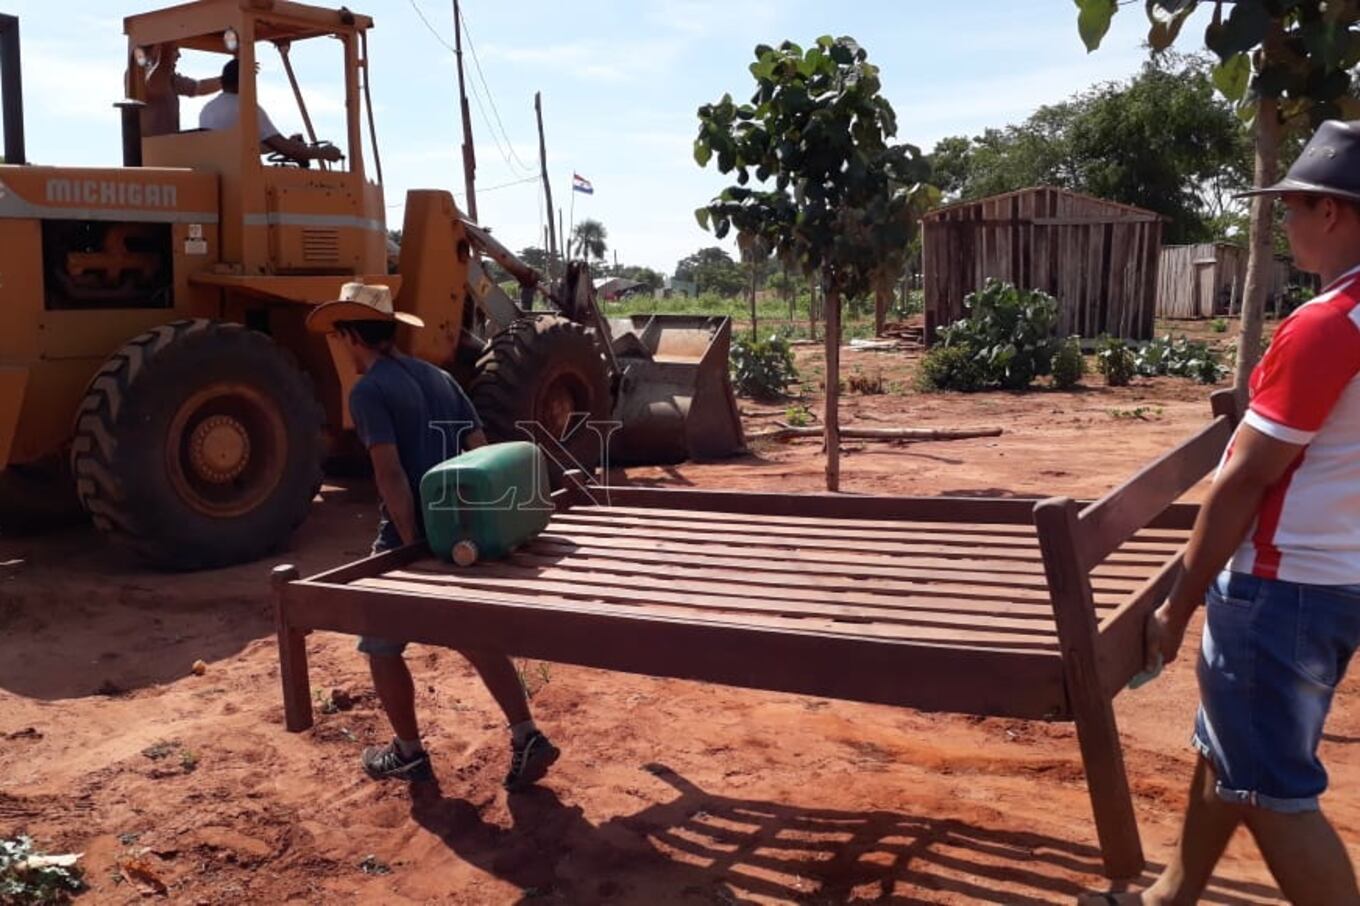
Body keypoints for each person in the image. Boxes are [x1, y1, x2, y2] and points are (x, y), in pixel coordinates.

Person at [1083, 120, 1360, 905]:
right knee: (1230, 750)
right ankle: (1170, 894)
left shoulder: (1324, 328)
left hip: (1281, 590)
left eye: (1294, 208)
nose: (1286, 223)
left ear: (1332, 212)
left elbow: (1243, 480)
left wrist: (1181, 598)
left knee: (1275, 794)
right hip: (1338, 574)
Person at [305, 283, 559, 789]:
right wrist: (469, 527)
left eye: (340, 335)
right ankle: (526, 734)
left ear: (354, 334)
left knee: (380, 643)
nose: (340, 345)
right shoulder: (440, 378)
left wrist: (409, 543)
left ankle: (408, 752)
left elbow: (390, 474)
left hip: (412, 534)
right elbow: (478, 450)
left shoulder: (369, 391)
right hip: (462, 530)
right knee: (474, 633)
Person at [199, 58, 341, 167]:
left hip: (222, 173)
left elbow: (239, 150)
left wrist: (285, 145)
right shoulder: (246, 109)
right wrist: (324, 153)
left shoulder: (207, 109)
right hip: (244, 181)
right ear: (244, 80)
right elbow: (290, 151)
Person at [141, 43, 221, 137]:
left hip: (171, 147)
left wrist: (231, 77)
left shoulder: (171, 79)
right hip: (152, 149)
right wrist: (167, 46)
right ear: (157, 49)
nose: (179, 55)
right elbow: (160, 73)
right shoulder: (140, 76)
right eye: (174, 50)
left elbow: (198, 87)